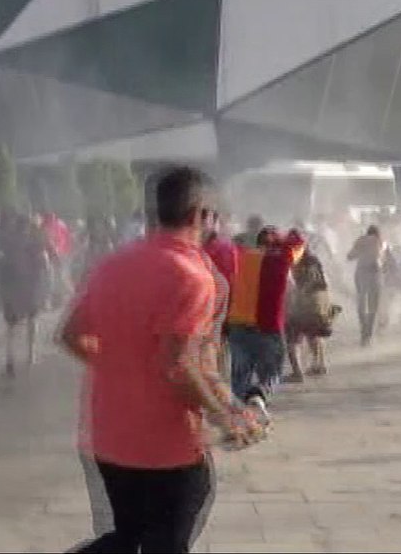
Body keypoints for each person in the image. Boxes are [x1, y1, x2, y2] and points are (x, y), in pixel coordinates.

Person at [58, 166, 267, 554]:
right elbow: (178, 365)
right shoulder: (192, 276)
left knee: (128, 535)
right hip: (165, 448)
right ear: (201, 214)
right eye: (212, 217)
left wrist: (121, 369)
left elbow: (70, 335)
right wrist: (227, 415)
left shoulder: (112, 265)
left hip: (110, 437)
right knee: (169, 533)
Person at [224, 226, 305, 402]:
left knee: (239, 377)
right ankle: (259, 396)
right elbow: (299, 240)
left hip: (237, 325)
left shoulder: (240, 257)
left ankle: (241, 414)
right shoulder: (283, 259)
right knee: (270, 374)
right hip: (268, 326)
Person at [0, 212, 50, 377]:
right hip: (30, 287)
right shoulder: (36, 241)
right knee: (32, 320)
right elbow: (45, 264)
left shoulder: (7, 242)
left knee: (11, 325)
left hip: (10, 288)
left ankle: (10, 356)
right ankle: (31, 354)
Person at [283, 250, 340, 382]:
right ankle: (320, 364)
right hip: (319, 307)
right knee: (313, 334)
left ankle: (297, 373)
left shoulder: (295, 266)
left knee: (293, 340)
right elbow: (326, 285)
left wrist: (289, 307)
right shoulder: (317, 266)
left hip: (302, 306)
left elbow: (291, 287)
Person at [347, 225, 385, 346]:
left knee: (361, 303)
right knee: (373, 305)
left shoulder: (360, 240)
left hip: (362, 273)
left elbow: (350, 256)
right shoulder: (382, 241)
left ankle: (364, 331)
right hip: (376, 274)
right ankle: (368, 333)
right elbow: (388, 260)